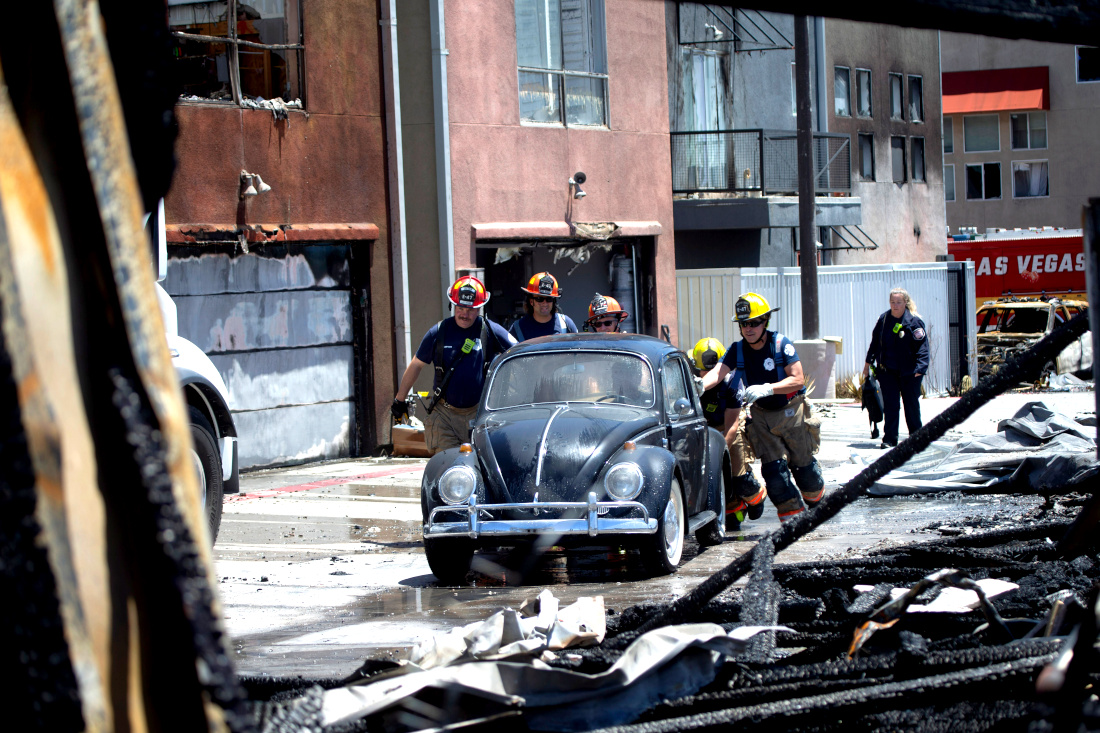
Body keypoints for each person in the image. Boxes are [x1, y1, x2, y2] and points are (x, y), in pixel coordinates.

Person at [699, 292, 824, 522]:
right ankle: (793, 523)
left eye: (754, 323)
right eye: (744, 324)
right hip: (762, 417)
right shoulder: (737, 349)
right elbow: (718, 372)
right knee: (775, 475)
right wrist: (698, 386)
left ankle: (817, 503)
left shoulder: (780, 344)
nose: (749, 329)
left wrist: (768, 388)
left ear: (765, 321)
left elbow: (798, 380)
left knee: (805, 472)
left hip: (791, 411)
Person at [392, 276, 516, 454]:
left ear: (479, 308)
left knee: (478, 470)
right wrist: (399, 400)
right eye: (460, 308)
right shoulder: (438, 332)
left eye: (470, 310)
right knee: (447, 468)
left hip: (478, 415)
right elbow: (416, 365)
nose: (464, 314)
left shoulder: (489, 330)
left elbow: (520, 352)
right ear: (453, 306)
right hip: (444, 417)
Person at [691, 337, 766, 530]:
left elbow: (731, 425)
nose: (709, 377)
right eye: (704, 371)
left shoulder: (733, 383)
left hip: (730, 425)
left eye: (712, 371)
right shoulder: (692, 383)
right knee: (716, 480)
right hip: (706, 428)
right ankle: (734, 508)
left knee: (739, 478)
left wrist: (718, 456)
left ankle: (757, 496)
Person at [863, 288, 929, 449]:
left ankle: (916, 439)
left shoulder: (914, 322)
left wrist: (920, 369)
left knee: (911, 406)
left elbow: (923, 348)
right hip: (888, 372)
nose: (895, 305)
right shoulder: (884, 320)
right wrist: (867, 365)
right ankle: (890, 439)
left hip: (910, 372)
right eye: (892, 302)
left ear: (905, 303)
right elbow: (875, 344)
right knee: (891, 406)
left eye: (898, 302)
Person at [509, 272, 578, 341]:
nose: (544, 303)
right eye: (539, 299)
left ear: (553, 301)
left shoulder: (566, 324)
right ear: (531, 301)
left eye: (549, 299)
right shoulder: (518, 328)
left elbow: (578, 348)